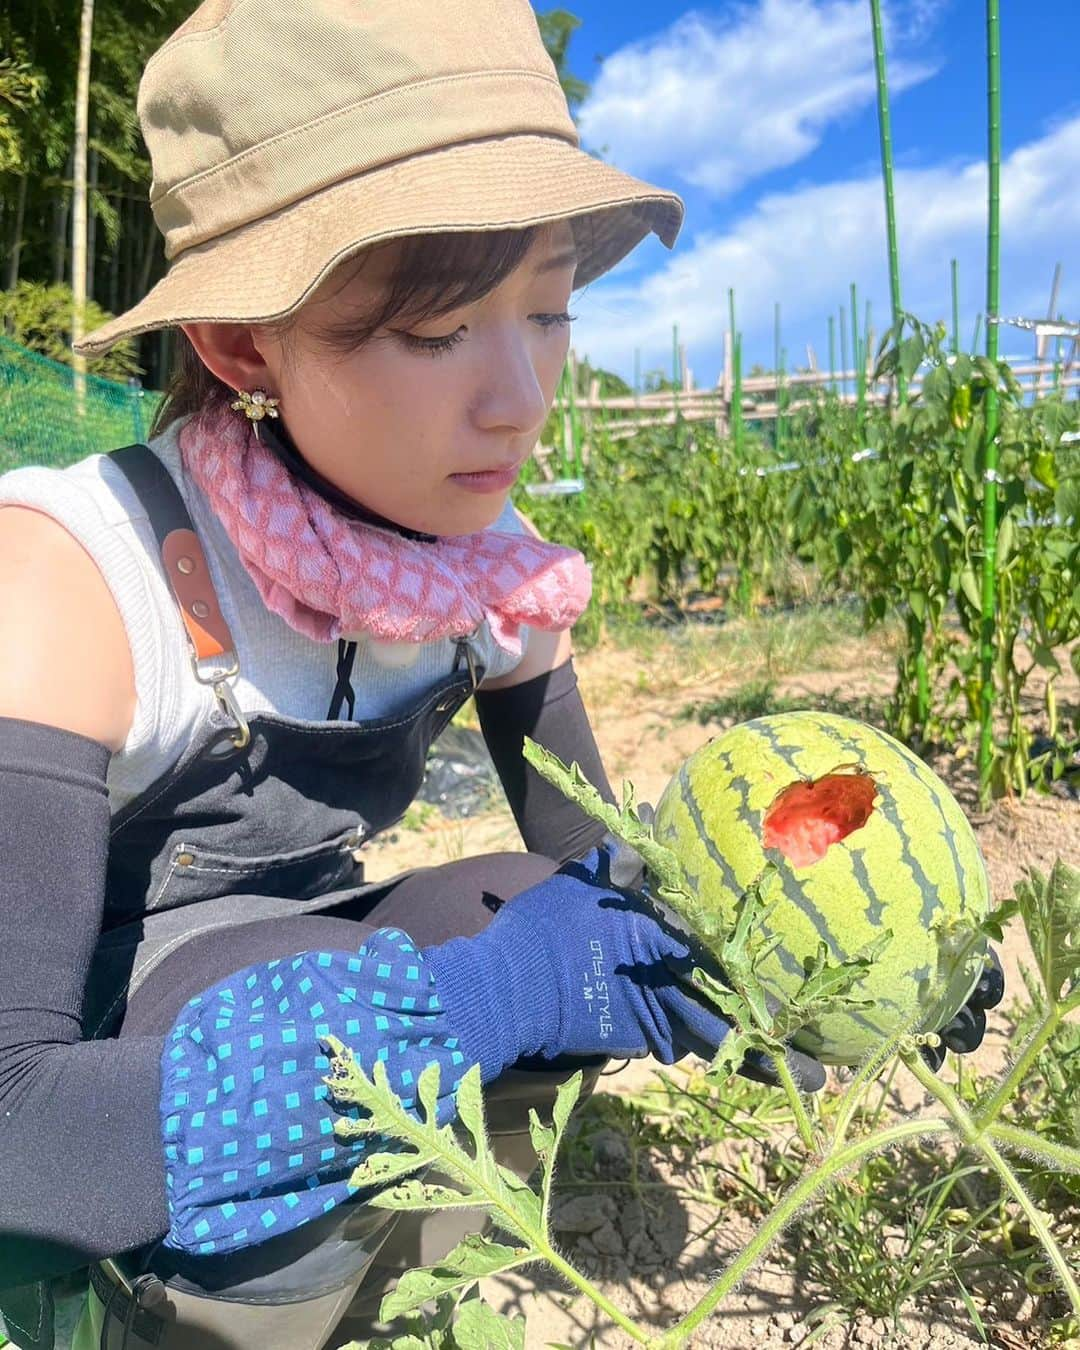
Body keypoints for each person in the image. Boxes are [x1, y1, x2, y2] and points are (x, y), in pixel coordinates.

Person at [0, 3, 1002, 1348]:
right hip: (91, 1039)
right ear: (245, 345)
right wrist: (492, 996)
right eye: (435, 331)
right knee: (382, 1070)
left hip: (290, 943)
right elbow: (13, 1119)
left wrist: (818, 960)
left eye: (547, 313)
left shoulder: (493, 576)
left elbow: (611, 876)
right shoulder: (71, 581)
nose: (521, 395)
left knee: (544, 906)